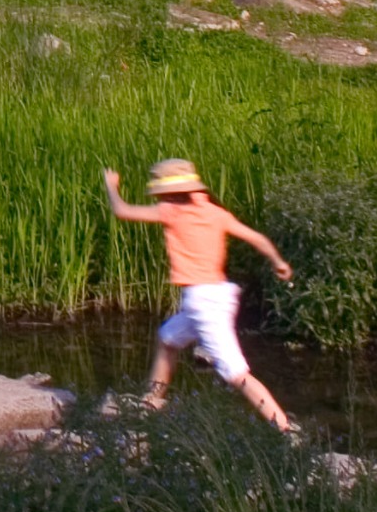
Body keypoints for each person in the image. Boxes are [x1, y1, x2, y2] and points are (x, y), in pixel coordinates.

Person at [103, 159, 297, 431]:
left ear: (168, 192)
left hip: (204, 303)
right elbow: (257, 239)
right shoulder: (215, 213)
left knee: (236, 374)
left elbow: (121, 210)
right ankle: (151, 402)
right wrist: (279, 262)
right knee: (168, 339)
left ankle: (285, 430)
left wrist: (112, 187)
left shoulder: (172, 212)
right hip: (216, 297)